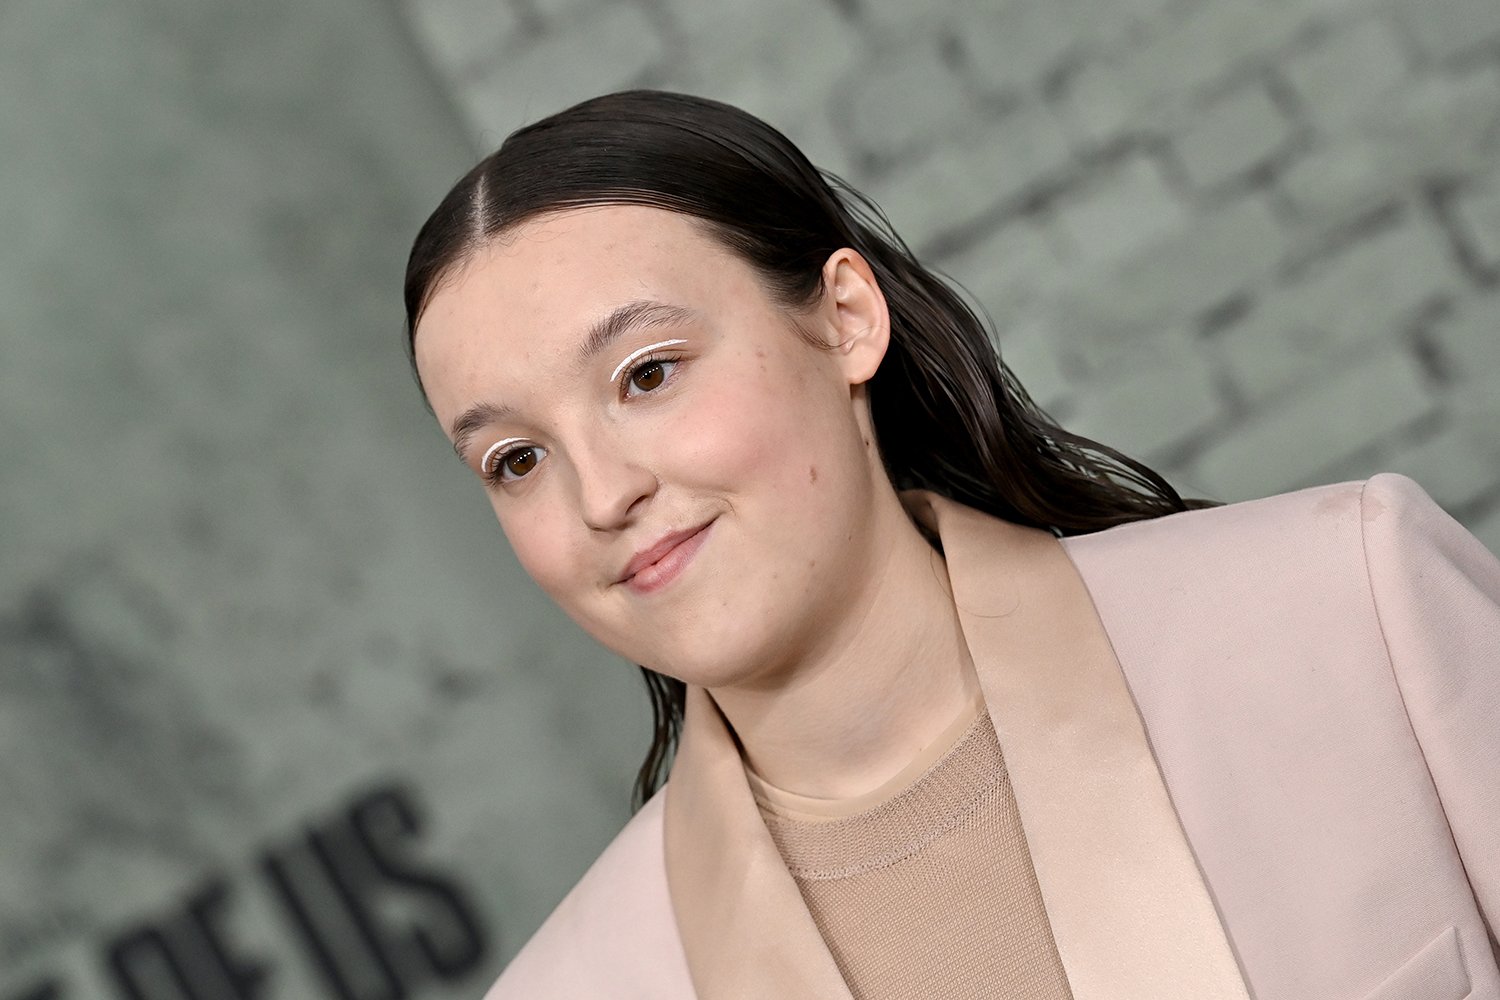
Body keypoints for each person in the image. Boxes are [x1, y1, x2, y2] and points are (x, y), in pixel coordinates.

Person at [402, 90, 1500, 1000]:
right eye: (517, 459)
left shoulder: (1351, 612)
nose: (603, 494)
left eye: (649, 373)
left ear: (845, 317)